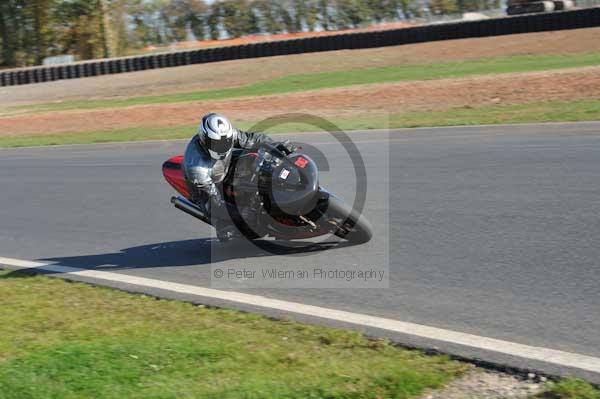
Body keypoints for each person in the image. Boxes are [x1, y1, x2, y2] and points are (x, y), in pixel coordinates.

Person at [183, 113, 293, 242]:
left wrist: (275, 147)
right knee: (238, 218)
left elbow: (252, 139)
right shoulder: (197, 168)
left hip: (224, 165)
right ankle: (225, 226)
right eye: (217, 144)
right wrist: (241, 212)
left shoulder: (225, 135)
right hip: (206, 189)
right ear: (204, 140)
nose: (222, 146)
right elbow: (216, 203)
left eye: (225, 142)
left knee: (258, 158)